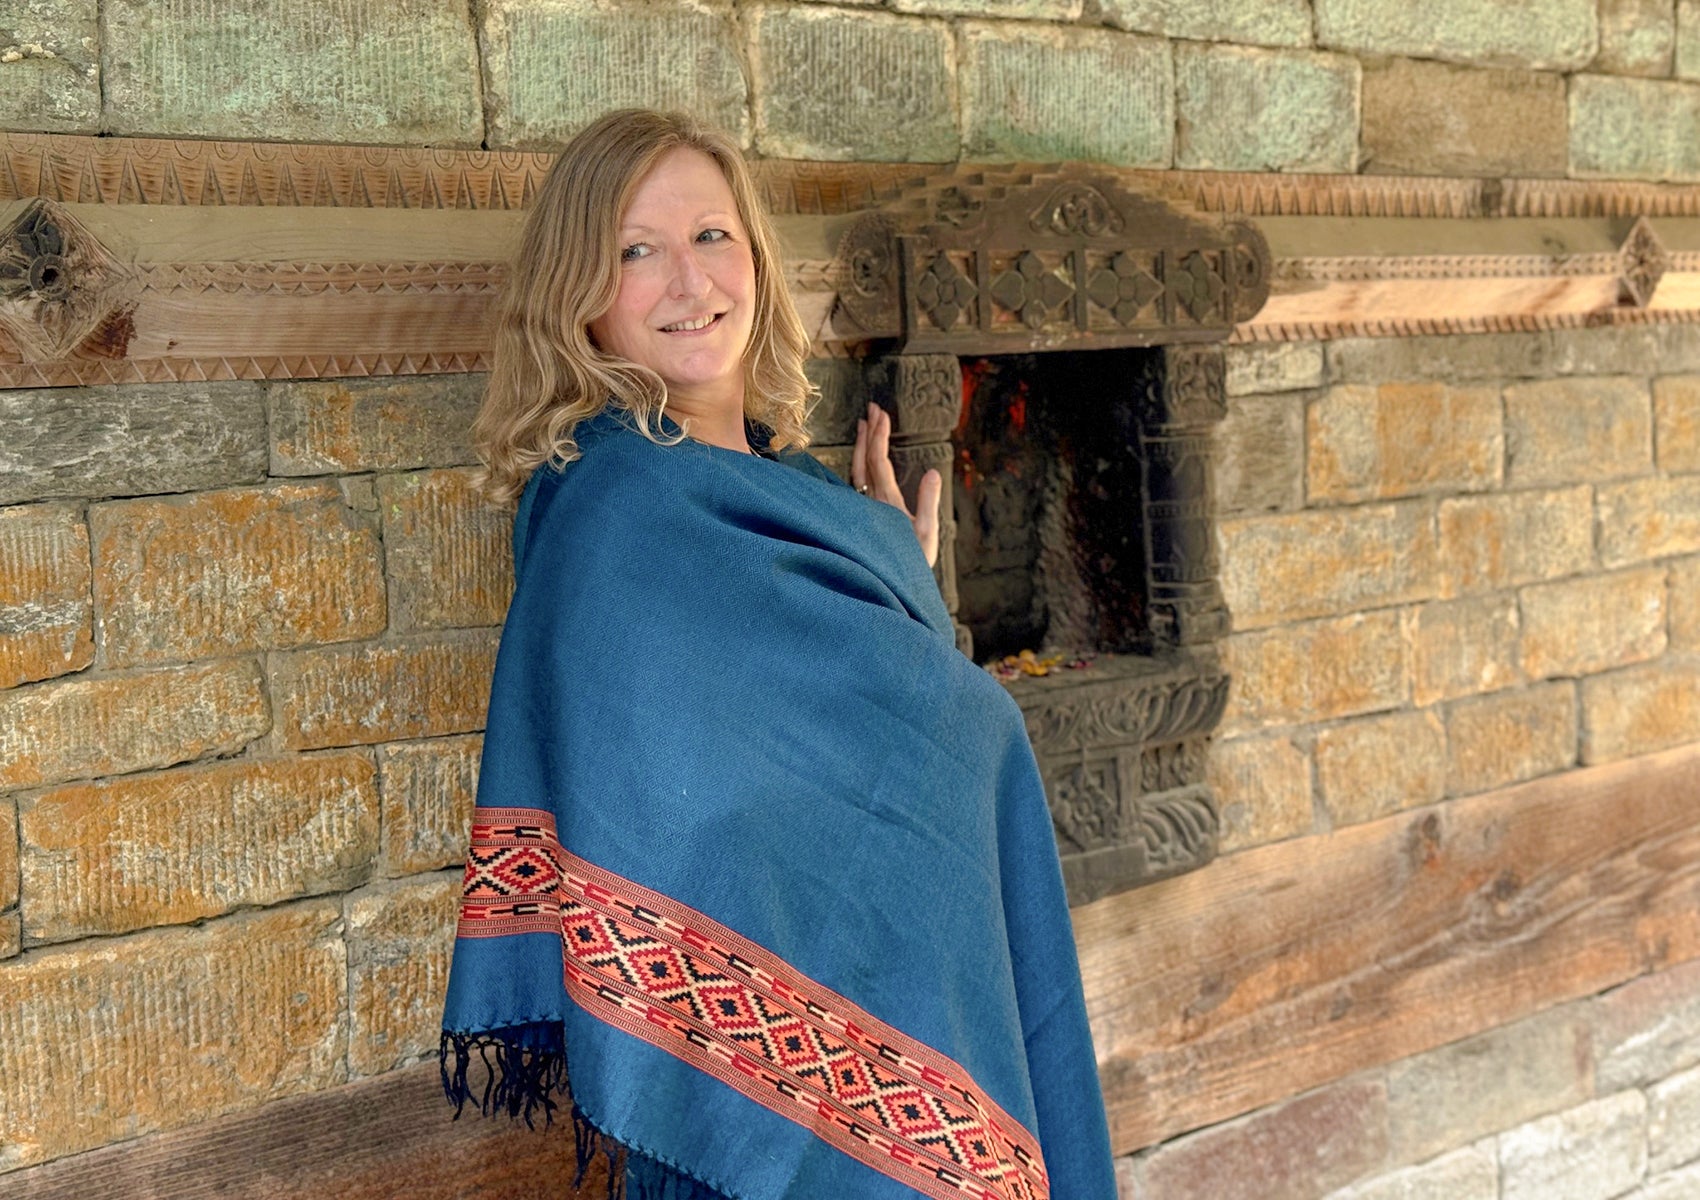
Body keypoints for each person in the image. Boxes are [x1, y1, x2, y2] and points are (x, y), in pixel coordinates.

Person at [440, 108, 1116, 1200]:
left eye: (711, 236)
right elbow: (702, 810)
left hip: (906, 1014)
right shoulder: (617, 514)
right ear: (580, 297)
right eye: (632, 250)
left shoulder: (806, 499)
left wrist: (901, 589)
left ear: (754, 258)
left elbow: (878, 743)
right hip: (754, 1093)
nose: (686, 281)